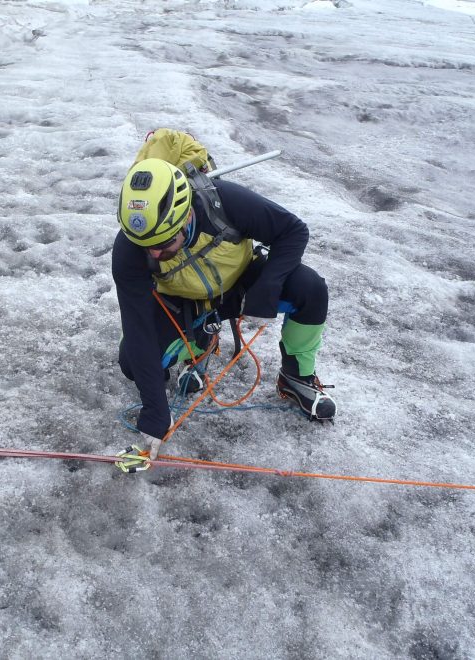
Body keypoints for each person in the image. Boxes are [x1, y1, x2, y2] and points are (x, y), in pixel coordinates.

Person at [112, 138, 336, 460]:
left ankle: (295, 377)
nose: (154, 253)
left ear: (185, 217)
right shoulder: (130, 250)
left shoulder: (224, 202)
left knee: (310, 287)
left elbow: (293, 231)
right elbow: (138, 328)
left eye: (163, 244)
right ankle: (202, 341)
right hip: (183, 303)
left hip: (240, 284)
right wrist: (155, 409)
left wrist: (267, 286)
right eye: (146, 246)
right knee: (132, 360)